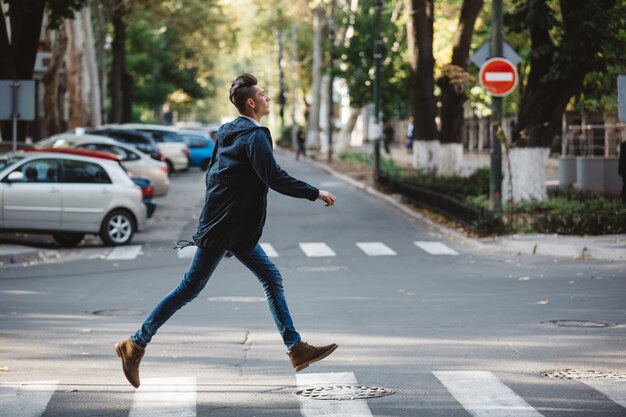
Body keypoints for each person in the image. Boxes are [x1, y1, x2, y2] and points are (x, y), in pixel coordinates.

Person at [115, 73, 338, 389]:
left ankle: (295, 348)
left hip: (229, 227)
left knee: (270, 277)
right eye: (263, 94)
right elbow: (273, 177)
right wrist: (314, 192)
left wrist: (223, 217)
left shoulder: (226, 132)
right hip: (225, 229)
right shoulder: (255, 136)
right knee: (190, 287)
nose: (267, 98)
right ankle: (134, 345)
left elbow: (213, 178)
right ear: (251, 102)